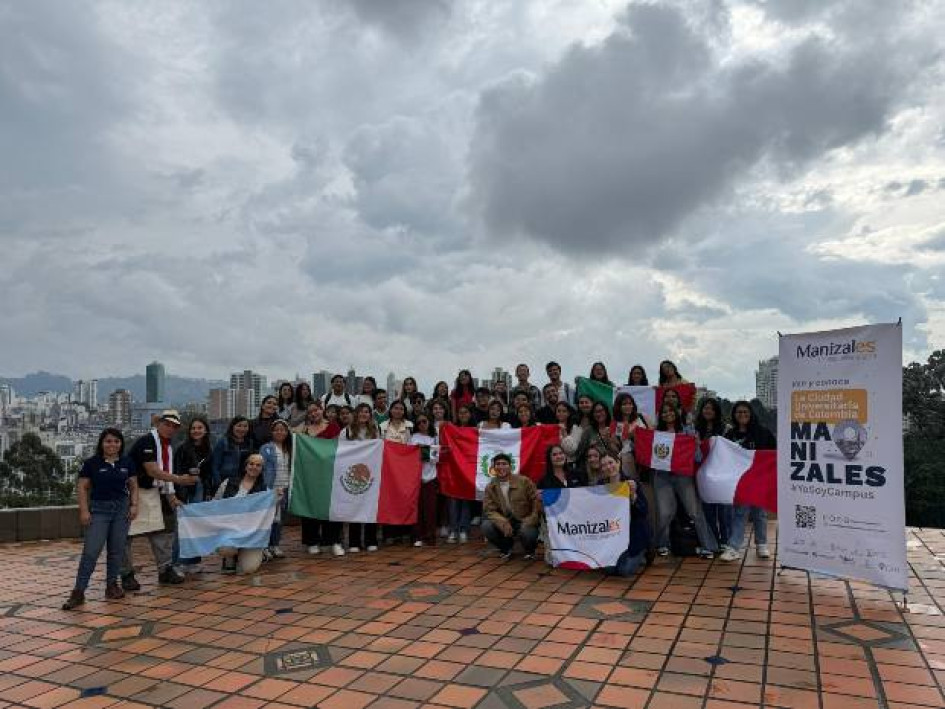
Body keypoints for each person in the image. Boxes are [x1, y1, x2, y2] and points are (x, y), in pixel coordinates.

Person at [63, 429, 139, 610]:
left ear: (121, 444)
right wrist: (84, 511)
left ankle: (112, 586)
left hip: (121, 510)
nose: (112, 445)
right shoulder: (92, 463)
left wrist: (134, 505)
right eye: (108, 441)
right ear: (101, 443)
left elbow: (133, 485)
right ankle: (79, 592)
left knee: (116, 551)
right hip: (99, 510)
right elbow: (82, 488)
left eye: (116, 441)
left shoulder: (127, 462)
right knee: (91, 551)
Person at [121, 411, 197, 589]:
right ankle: (126, 574)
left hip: (155, 491)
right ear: (159, 424)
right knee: (125, 536)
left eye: (174, 426)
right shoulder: (147, 441)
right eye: (167, 424)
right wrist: (180, 480)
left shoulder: (167, 446)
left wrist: (171, 496)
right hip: (133, 490)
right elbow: (153, 471)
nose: (170, 429)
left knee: (162, 532)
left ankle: (165, 569)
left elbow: (162, 472)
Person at [652, 402, 718, 560]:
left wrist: (696, 445)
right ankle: (662, 544)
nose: (668, 414)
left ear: (676, 412)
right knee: (664, 513)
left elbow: (698, 458)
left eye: (670, 411)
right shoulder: (655, 433)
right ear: (660, 415)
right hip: (662, 476)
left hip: (683, 475)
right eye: (664, 411)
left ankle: (708, 546)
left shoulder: (688, 431)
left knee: (695, 511)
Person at [719, 401, 776, 562]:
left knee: (760, 513)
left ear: (750, 414)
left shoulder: (763, 433)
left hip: (759, 479)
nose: (742, 415)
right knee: (740, 513)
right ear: (734, 415)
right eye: (738, 412)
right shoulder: (730, 435)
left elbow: (773, 454)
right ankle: (734, 548)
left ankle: (762, 544)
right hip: (740, 481)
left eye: (745, 412)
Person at [294, 402, 344, 556]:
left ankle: (334, 541)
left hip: (330, 473)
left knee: (333, 506)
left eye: (316, 410)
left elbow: (339, 447)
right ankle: (312, 541)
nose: (313, 413)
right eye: (310, 412)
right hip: (309, 474)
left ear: (322, 410)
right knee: (309, 505)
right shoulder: (303, 430)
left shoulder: (333, 427)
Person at [215, 453, 270, 574]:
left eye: (258, 465)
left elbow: (271, 517)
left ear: (262, 469)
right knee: (226, 549)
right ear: (245, 466)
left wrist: (276, 500)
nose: (254, 467)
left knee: (249, 569)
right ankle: (230, 557)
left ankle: (260, 552)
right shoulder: (228, 483)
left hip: (251, 535)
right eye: (251, 464)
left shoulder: (265, 490)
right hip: (230, 531)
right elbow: (215, 505)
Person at [596, 453, 650, 577]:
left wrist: (633, 495)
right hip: (614, 536)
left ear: (618, 463)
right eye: (604, 465)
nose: (608, 467)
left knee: (624, 571)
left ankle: (643, 552)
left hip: (634, 535)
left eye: (611, 463)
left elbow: (644, 511)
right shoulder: (600, 486)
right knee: (609, 570)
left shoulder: (630, 483)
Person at [481, 453, 541, 560]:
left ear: (510, 466)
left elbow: (536, 501)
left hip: (524, 519)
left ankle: (530, 550)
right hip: (506, 520)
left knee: (527, 532)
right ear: (494, 468)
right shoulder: (490, 487)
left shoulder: (524, 481)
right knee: (486, 526)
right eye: (498, 464)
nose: (501, 467)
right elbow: (489, 510)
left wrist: (531, 519)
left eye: (504, 464)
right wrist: (501, 521)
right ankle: (506, 548)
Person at [173, 416, 213, 573]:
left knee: (196, 525)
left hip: (200, 489)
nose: (196, 431)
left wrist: (208, 492)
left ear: (205, 430)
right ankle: (176, 562)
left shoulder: (208, 449)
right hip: (185, 489)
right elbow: (176, 471)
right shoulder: (182, 448)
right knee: (182, 526)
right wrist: (178, 493)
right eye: (193, 428)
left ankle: (192, 562)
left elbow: (208, 473)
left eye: (200, 428)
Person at [694, 398, 732, 549]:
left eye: (711, 408)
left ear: (716, 411)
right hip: (704, 476)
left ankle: (725, 541)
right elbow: (695, 455)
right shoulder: (695, 430)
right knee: (708, 511)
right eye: (705, 408)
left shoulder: (726, 429)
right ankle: (713, 541)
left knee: (723, 512)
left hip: (722, 476)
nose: (707, 411)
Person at [346, 404, 379, 553]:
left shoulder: (375, 431)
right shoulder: (346, 431)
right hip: (353, 473)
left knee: (371, 506)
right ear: (356, 413)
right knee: (355, 506)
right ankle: (354, 542)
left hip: (371, 474)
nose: (364, 414)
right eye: (361, 412)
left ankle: (371, 540)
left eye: (366, 412)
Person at [260, 419, 292, 559]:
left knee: (280, 519)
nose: (280, 432)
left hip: (286, 487)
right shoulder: (266, 448)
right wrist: (267, 488)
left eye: (283, 429)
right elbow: (261, 468)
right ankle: (265, 546)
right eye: (276, 429)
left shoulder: (290, 448)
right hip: (271, 488)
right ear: (272, 432)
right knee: (269, 519)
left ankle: (275, 544)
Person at [447, 404, 476, 543]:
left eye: (466, 412)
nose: (463, 415)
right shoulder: (453, 429)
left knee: (465, 500)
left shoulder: (475, 430)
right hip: (454, 469)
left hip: (469, 470)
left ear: (470, 414)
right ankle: (453, 530)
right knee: (453, 500)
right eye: (460, 412)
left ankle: (464, 529)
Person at [411, 414, 438, 547]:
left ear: (429, 422)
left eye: (424, 421)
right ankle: (417, 536)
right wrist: (425, 451)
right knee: (417, 509)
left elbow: (435, 457)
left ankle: (430, 536)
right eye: (419, 422)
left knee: (431, 509)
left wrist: (422, 450)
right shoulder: (413, 438)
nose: (422, 424)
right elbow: (410, 456)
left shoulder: (435, 438)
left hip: (431, 476)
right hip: (415, 477)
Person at [612, 393, 648, 480]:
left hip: (645, 456)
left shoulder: (641, 417)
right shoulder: (616, 423)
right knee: (631, 483)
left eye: (630, 403)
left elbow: (651, 434)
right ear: (619, 406)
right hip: (628, 459)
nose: (628, 406)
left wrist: (639, 435)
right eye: (624, 404)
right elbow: (617, 445)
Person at [575, 402, 621, 470]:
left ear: (606, 412)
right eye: (595, 412)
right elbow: (579, 452)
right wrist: (590, 447)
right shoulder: (588, 431)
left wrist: (609, 441)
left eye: (601, 411)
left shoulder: (614, 428)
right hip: (593, 468)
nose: (598, 414)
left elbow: (617, 452)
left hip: (611, 467)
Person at [211, 416, 253, 490]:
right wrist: (218, 484)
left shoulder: (249, 443)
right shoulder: (223, 442)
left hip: (243, 483)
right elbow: (215, 466)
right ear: (232, 427)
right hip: (225, 483)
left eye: (245, 426)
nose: (242, 429)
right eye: (239, 426)